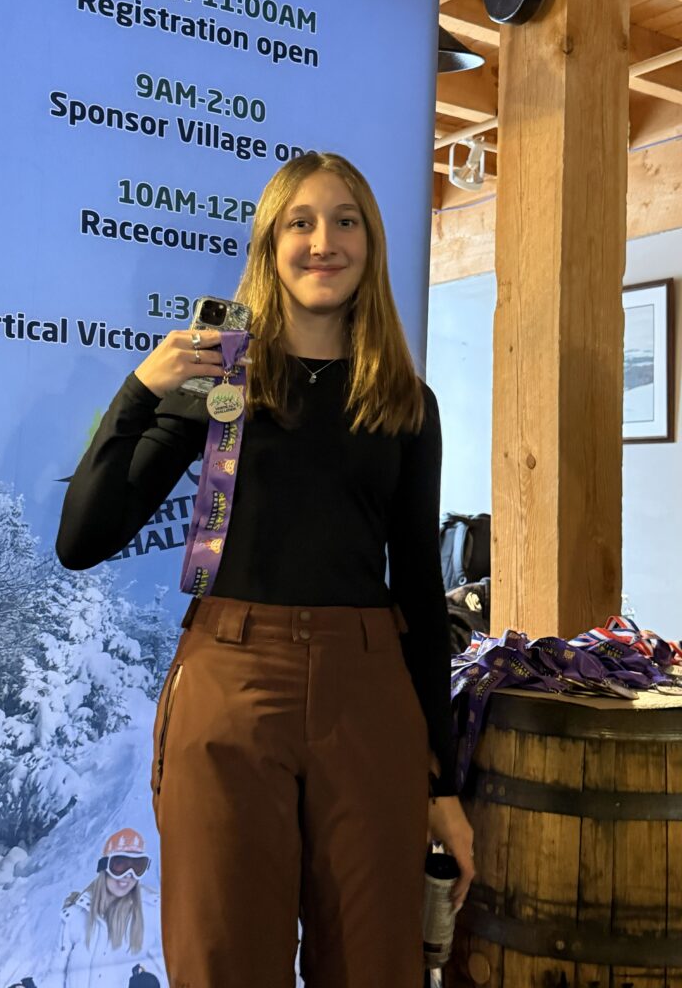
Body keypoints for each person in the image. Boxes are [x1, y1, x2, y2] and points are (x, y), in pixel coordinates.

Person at [56, 151, 475, 988]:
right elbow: (84, 538)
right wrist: (140, 390)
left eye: (346, 221)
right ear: (269, 245)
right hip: (231, 682)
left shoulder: (404, 401)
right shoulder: (221, 383)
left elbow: (420, 592)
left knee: (375, 965)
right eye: (301, 222)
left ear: (371, 243)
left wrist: (442, 782)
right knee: (224, 961)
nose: (324, 242)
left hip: (369, 693)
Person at [50, 828, 165, 987]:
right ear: (104, 865)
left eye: (137, 866)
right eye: (120, 864)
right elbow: (55, 977)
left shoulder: (154, 913)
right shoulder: (75, 916)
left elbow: (176, 971)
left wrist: (153, 981)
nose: (128, 875)